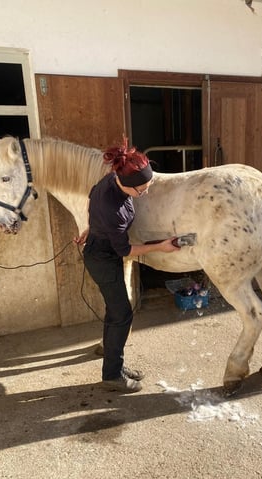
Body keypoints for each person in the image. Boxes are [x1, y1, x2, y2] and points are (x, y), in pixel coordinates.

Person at [73, 139, 180, 392]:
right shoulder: (115, 209)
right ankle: (111, 376)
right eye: (141, 190)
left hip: (101, 246)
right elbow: (126, 250)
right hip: (103, 260)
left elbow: (91, 201)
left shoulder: (111, 179)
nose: (144, 193)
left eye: (147, 185)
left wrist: (93, 228)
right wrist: (161, 246)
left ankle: (115, 366)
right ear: (127, 186)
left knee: (115, 312)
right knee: (122, 315)